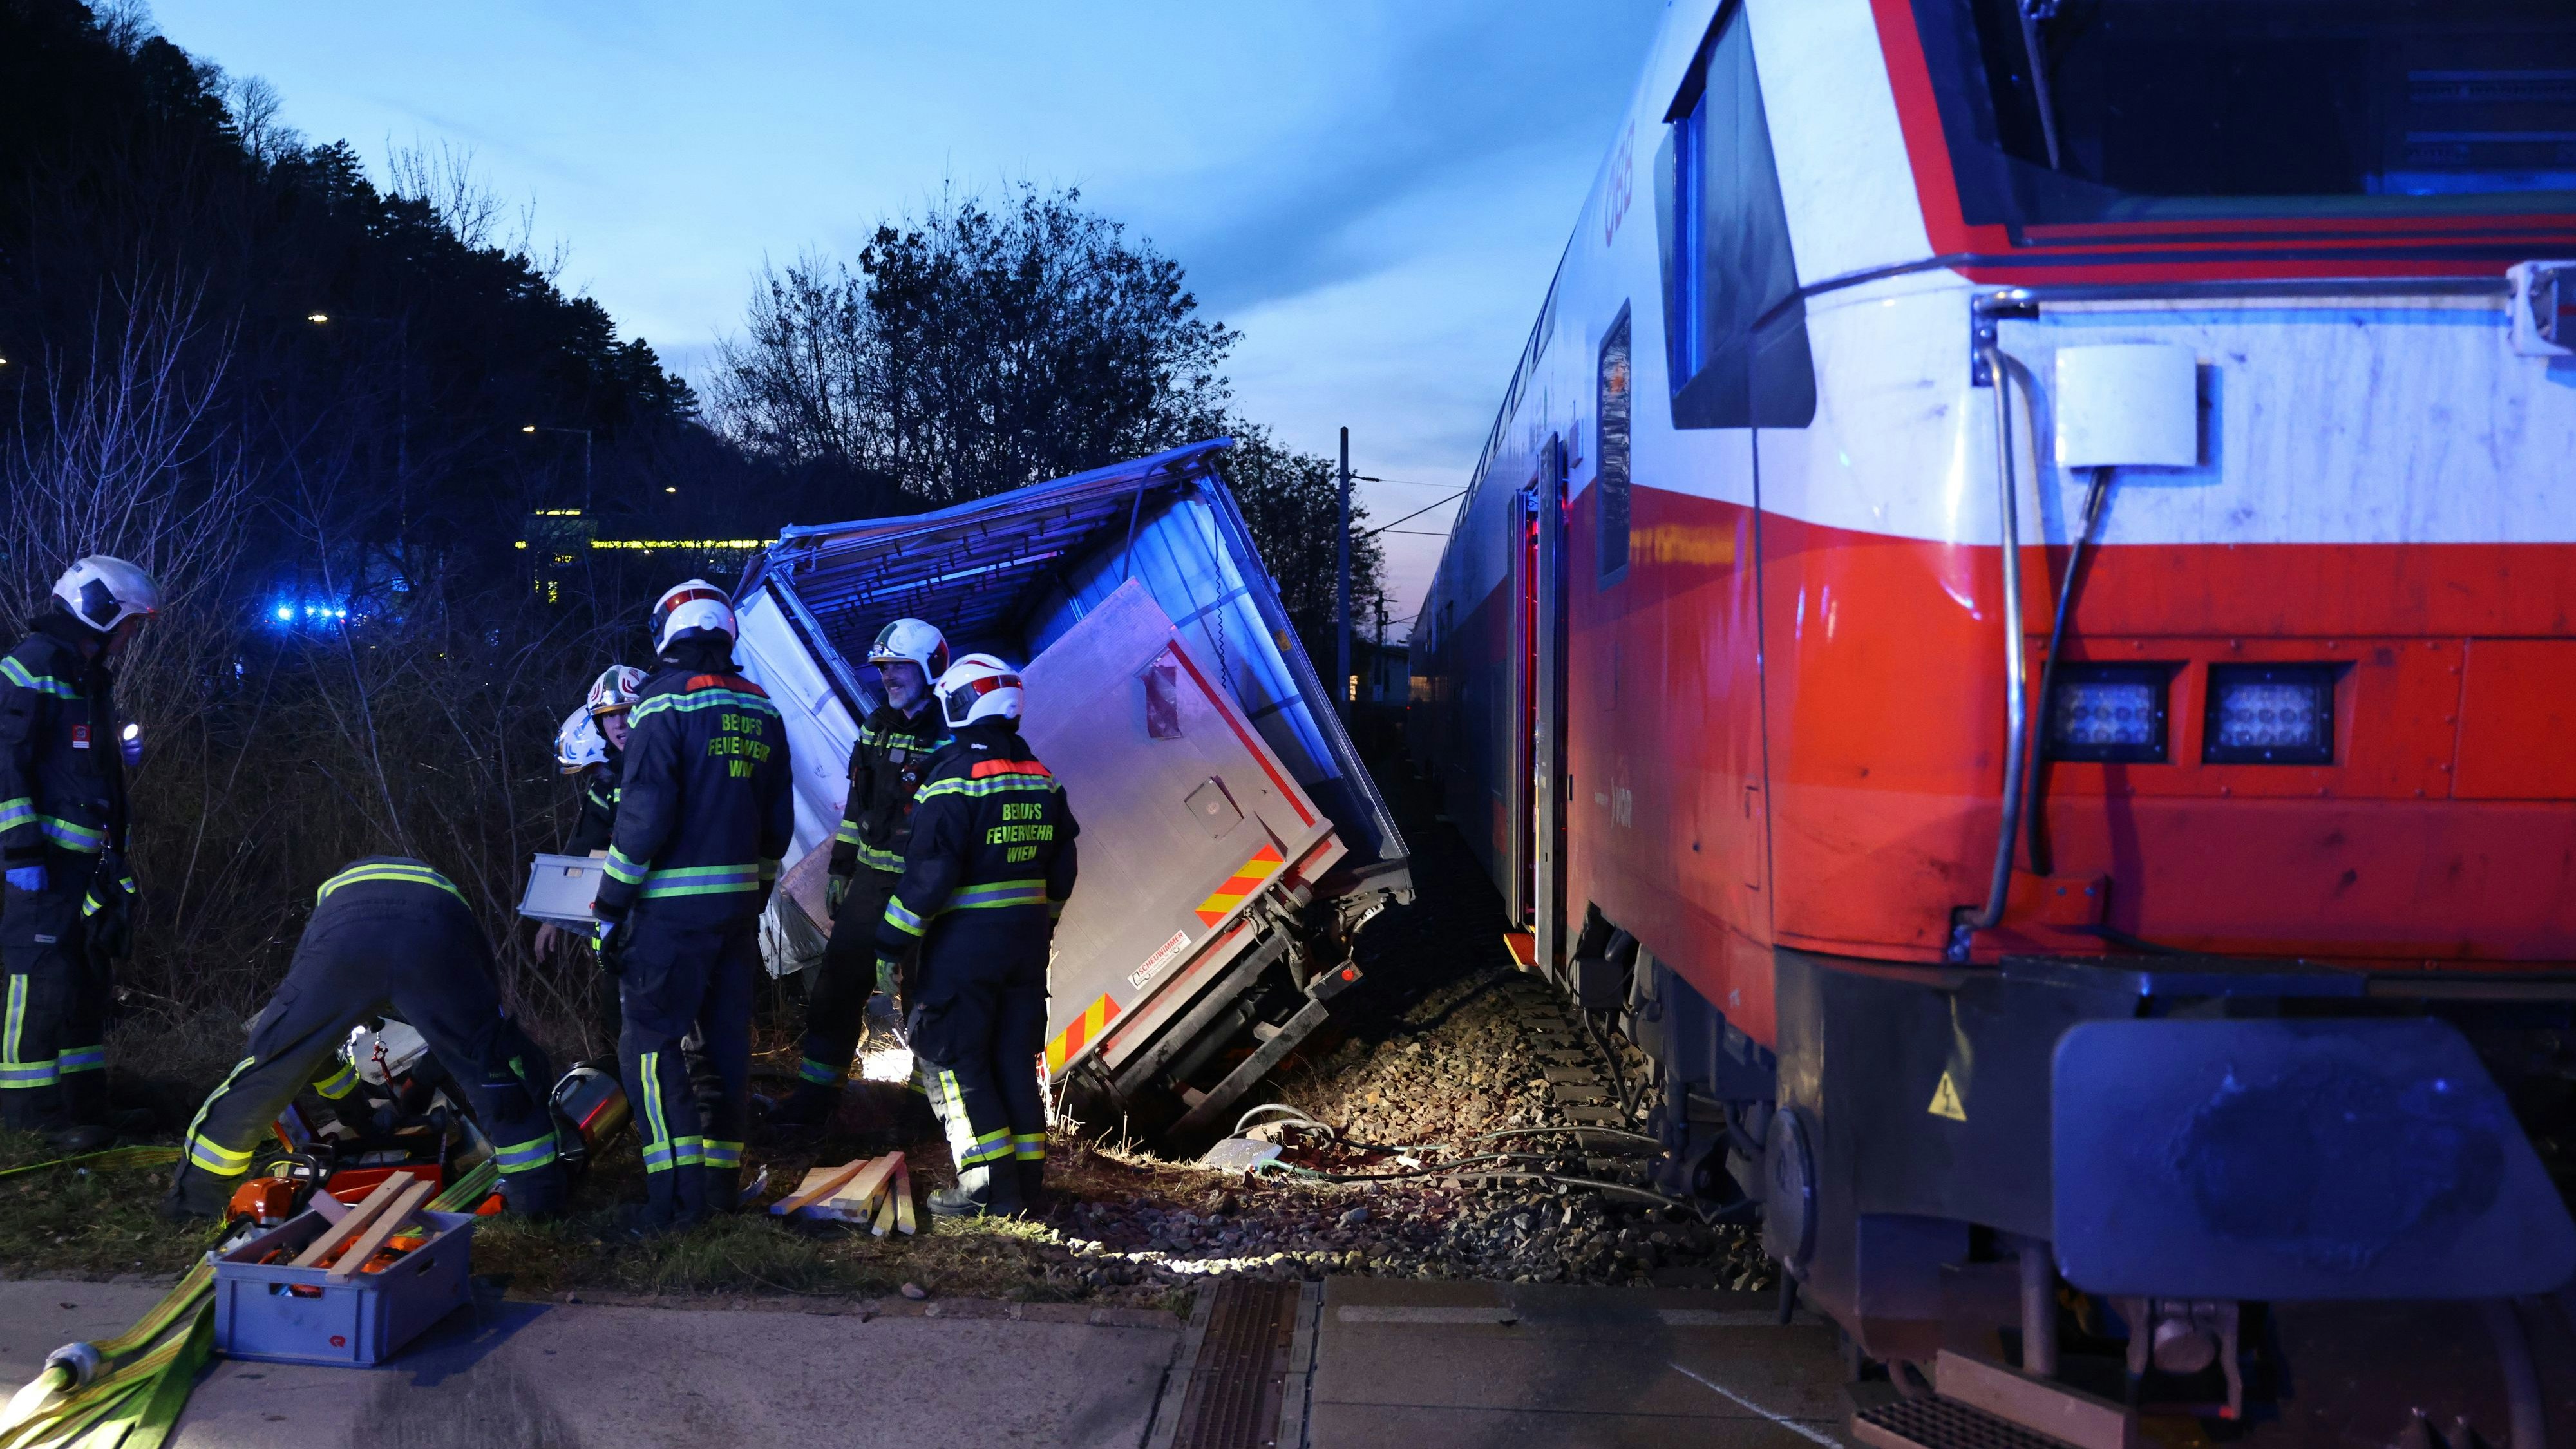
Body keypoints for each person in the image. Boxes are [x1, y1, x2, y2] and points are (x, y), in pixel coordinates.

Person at [162, 857, 567, 1219]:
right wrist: (417, 1085)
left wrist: (357, 1115)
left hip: (347, 935)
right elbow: (476, 1035)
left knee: (272, 1066)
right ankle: (538, 1202)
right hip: (433, 929)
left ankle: (197, 1200)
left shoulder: (332, 902)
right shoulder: (449, 902)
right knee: (488, 1066)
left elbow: (312, 1049)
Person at [593, 581, 792, 1233]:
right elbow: (778, 826)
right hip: (735, 918)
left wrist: (610, 907)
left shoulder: (660, 703)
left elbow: (643, 815)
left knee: (648, 1051)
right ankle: (714, 1193)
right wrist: (753, 895)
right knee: (722, 1054)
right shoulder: (761, 707)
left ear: (668, 631)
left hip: (668, 918)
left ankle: (669, 1206)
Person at [874, 653, 1078, 1217]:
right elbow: (1063, 870)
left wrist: (890, 945)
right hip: (1027, 947)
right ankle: (1027, 1183)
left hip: (964, 950)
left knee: (959, 1060)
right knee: (1013, 1059)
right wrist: (1045, 921)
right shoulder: (1043, 777)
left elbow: (927, 877)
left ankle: (987, 1186)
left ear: (965, 704)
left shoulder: (953, 779)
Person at [1, 556, 158, 1151]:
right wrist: (21, 853)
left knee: (85, 982)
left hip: (88, 867)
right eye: (132, 623)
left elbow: (85, 762)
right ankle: (29, 1121)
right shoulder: (33, 666)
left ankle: (85, 1109)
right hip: (42, 867)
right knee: (39, 981)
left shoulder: (88, 674)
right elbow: (4, 765)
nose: (132, 636)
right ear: (101, 611)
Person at [770, 618, 951, 1127]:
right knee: (835, 990)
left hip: (926, 893)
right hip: (870, 885)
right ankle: (813, 1105)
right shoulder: (876, 725)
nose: (888, 678)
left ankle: (924, 1114)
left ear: (929, 668)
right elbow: (858, 805)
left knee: (926, 999)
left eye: (898, 668)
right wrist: (841, 866)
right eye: (883, 669)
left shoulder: (949, 735)